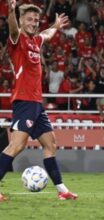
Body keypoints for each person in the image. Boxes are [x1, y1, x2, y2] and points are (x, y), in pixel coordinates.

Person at [0, 1, 77, 201]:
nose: (34, 23)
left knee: (51, 144)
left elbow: (47, 34)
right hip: (24, 101)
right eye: (30, 19)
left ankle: (62, 191)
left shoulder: (36, 42)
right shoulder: (17, 40)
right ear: (22, 21)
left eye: (36, 20)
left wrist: (56, 26)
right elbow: (13, 28)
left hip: (36, 103)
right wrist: (11, 11)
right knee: (16, 146)